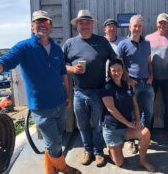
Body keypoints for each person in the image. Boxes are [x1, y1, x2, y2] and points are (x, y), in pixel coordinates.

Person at [0, 10, 80, 174]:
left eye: (46, 22)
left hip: (60, 102)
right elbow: (3, 64)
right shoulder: (23, 47)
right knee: (55, 144)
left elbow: (63, 74)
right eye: (38, 22)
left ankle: (50, 171)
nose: (42, 24)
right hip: (42, 107)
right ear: (32, 26)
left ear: (50, 26)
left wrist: (67, 96)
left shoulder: (57, 49)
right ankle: (65, 168)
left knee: (53, 140)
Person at [62, 10, 116, 167]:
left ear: (92, 24)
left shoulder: (102, 42)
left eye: (87, 22)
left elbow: (114, 60)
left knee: (98, 124)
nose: (84, 25)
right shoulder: (70, 43)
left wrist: (123, 78)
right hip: (78, 91)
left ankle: (99, 151)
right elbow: (61, 66)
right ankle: (88, 150)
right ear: (77, 25)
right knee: (83, 124)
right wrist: (72, 70)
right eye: (81, 22)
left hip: (98, 91)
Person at [101, 59, 155, 172]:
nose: (116, 73)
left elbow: (135, 105)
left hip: (126, 128)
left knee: (145, 133)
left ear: (123, 70)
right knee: (119, 163)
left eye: (119, 70)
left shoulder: (128, 85)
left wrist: (138, 120)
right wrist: (128, 123)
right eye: (113, 70)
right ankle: (111, 148)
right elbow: (111, 109)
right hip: (113, 129)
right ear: (109, 72)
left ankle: (142, 160)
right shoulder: (107, 87)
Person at [116, 14, 154, 130]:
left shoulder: (146, 43)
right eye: (135, 26)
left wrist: (151, 76)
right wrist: (127, 79)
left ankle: (143, 134)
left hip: (146, 83)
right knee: (131, 111)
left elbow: (148, 62)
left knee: (149, 111)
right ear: (130, 27)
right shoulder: (123, 44)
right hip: (131, 83)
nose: (137, 29)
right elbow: (118, 64)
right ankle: (131, 138)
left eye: (140, 26)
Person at [146, 13, 168, 141]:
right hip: (152, 78)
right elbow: (145, 58)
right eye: (160, 22)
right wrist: (148, 74)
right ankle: (148, 131)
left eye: (165, 22)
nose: (162, 25)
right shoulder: (148, 38)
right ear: (157, 23)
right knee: (149, 105)